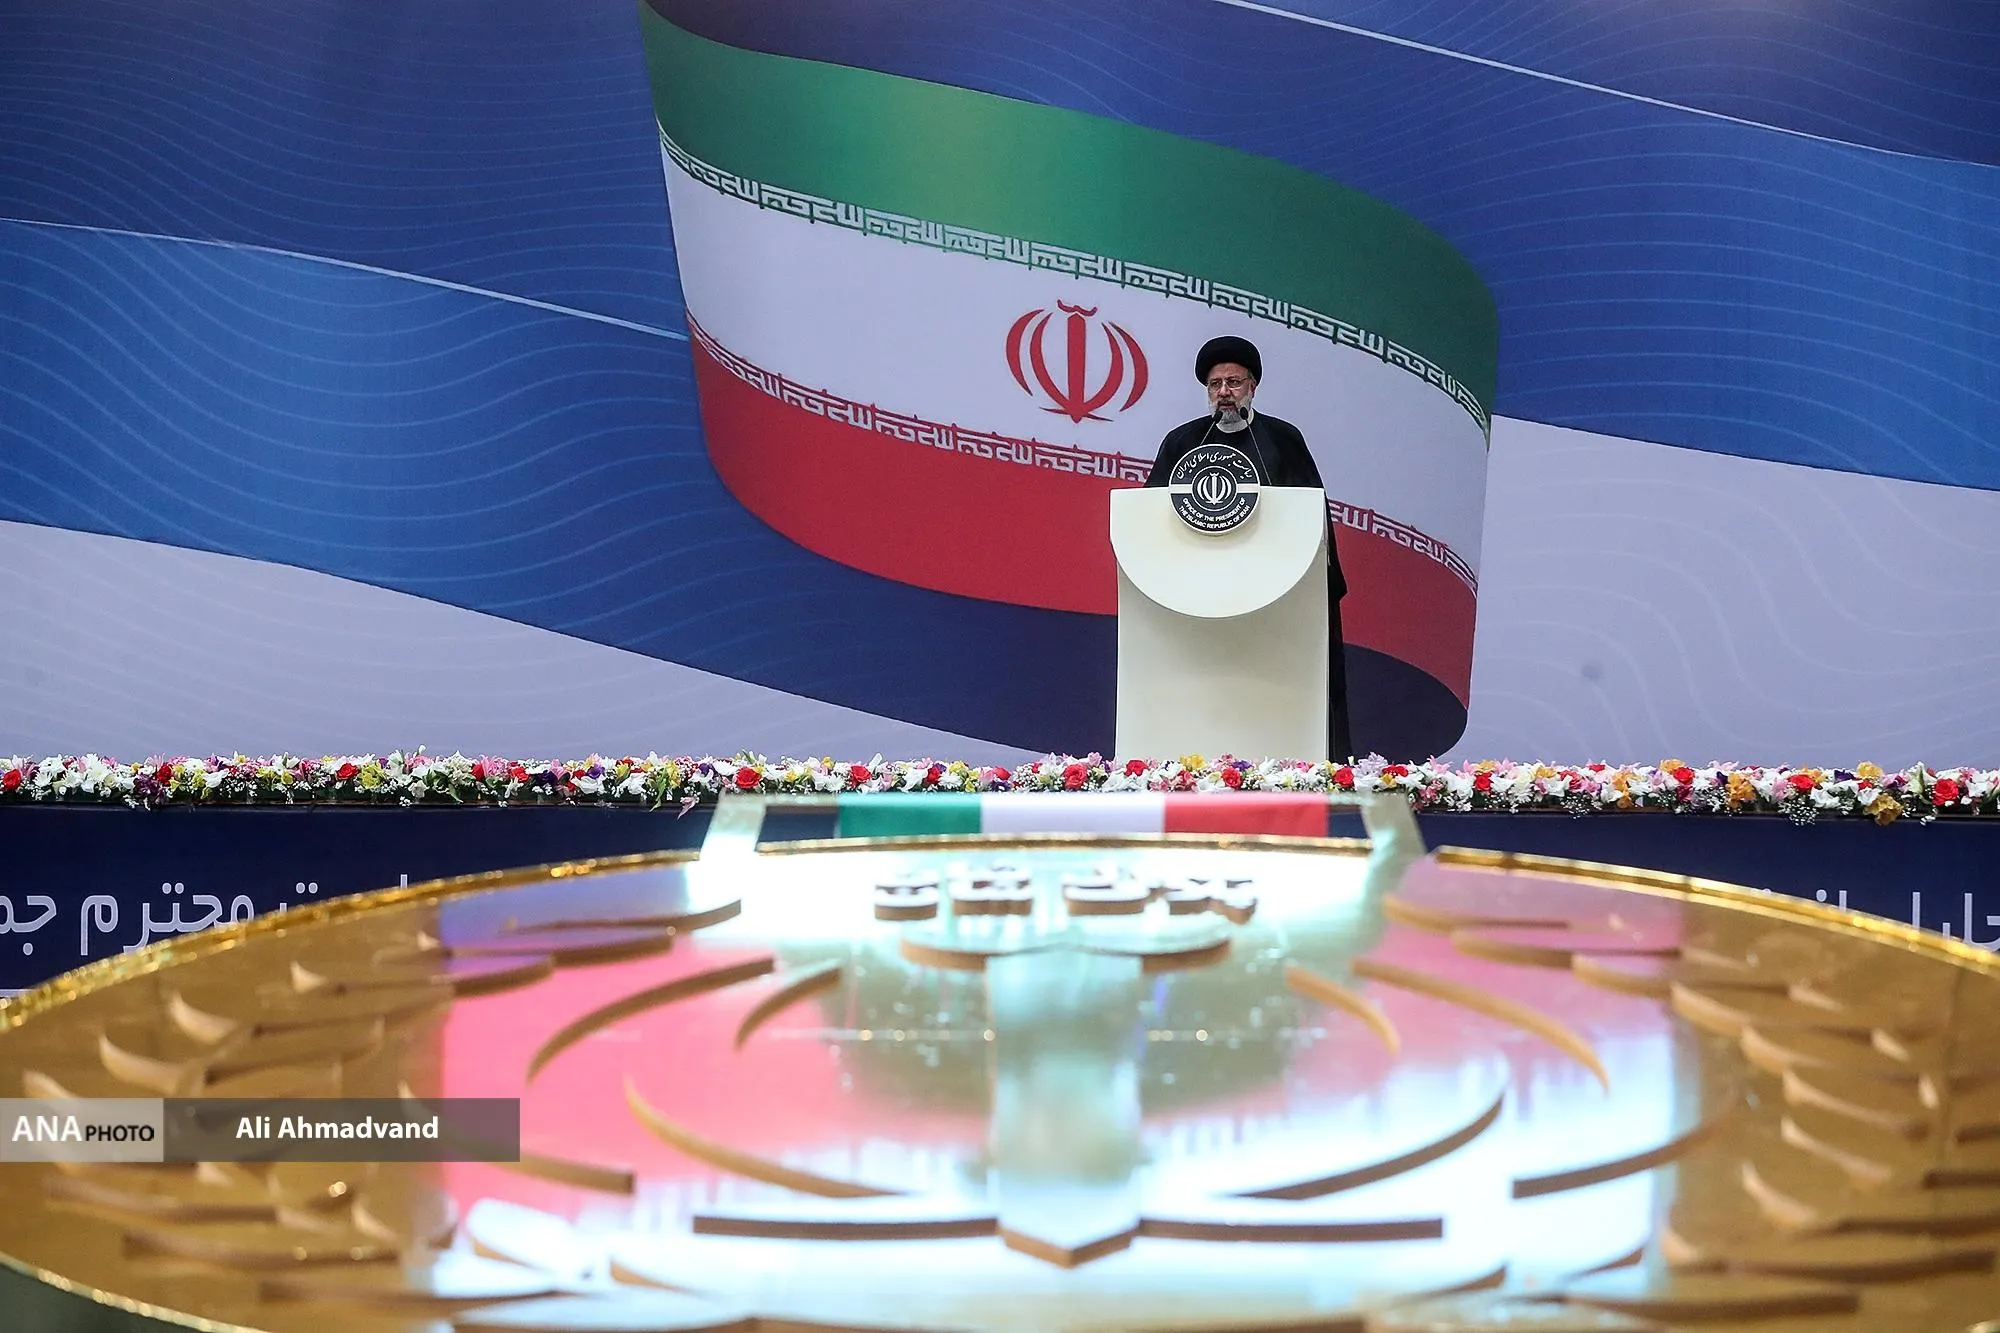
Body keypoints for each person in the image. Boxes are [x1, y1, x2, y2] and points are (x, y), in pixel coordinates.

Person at [1144, 335, 1354, 761]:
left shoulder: (1281, 439)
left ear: (1253, 386)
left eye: (1234, 383)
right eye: (1215, 384)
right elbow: (1149, 513)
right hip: (1198, 593)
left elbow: (1312, 512)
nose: (1224, 392)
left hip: (1278, 592)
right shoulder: (1183, 442)